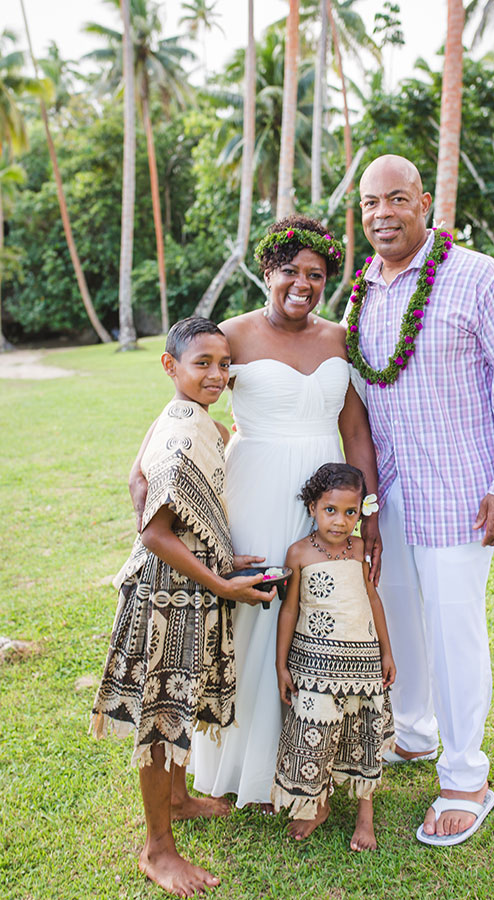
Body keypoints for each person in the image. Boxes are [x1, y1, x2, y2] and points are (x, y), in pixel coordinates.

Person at [344, 155, 494, 846]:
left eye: (396, 199)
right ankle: (414, 732)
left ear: (424, 203)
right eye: (371, 203)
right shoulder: (361, 292)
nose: (381, 214)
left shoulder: (478, 276)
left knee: (454, 629)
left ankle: (467, 777)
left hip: (463, 491)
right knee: (397, 611)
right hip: (390, 493)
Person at [184, 216, 381, 810]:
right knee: (253, 616)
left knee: (318, 619)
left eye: (316, 274)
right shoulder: (232, 335)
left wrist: (366, 513)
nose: (303, 282)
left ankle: (312, 764)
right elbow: (192, 402)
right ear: (267, 271)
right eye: (290, 270)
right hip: (254, 490)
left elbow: (355, 429)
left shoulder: (337, 339)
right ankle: (245, 769)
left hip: (327, 496)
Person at [91, 317, 276, 897]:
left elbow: (135, 478)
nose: (218, 375)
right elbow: (154, 533)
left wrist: (219, 551)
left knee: (179, 702)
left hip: (187, 583)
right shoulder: (184, 432)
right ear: (170, 367)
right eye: (203, 364)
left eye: (225, 364)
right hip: (165, 595)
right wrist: (221, 583)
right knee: (163, 715)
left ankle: (177, 797)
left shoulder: (185, 418)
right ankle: (157, 849)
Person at [271, 463, 395, 851]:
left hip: (363, 663)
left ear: (361, 513)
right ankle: (317, 805)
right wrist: (281, 663)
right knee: (316, 738)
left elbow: (373, 600)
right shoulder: (299, 554)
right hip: (315, 666)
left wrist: (387, 653)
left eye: (351, 513)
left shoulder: (360, 550)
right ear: (312, 507)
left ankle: (365, 817)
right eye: (330, 510)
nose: (340, 522)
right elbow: (288, 610)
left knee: (363, 736)